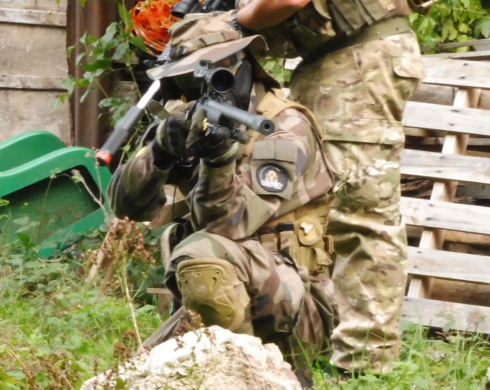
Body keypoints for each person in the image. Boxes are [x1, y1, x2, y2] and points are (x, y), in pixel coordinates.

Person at [231, 0, 424, 375]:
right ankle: (325, 341)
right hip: (336, 63)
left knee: (363, 212)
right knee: (321, 210)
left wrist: (236, 20)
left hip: (360, 64)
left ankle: (365, 364)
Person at [106, 25, 337, 379]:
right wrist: (161, 152)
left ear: (244, 67)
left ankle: (252, 379)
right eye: (185, 81)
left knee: (203, 253)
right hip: (222, 298)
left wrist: (218, 161)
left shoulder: (284, 126)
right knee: (131, 381)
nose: (195, 90)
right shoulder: (184, 116)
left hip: (297, 307)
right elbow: (124, 206)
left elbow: (227, 227)